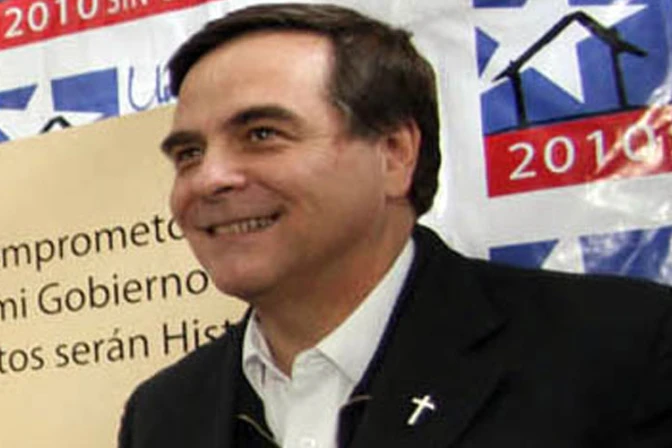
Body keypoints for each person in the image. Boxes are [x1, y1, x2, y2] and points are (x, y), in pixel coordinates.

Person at [118, 3, 672, 447]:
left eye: (262, 134)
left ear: (395, 153)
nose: (209, 178)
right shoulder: (163, 415)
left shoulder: (621, 348)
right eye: (188, 153)